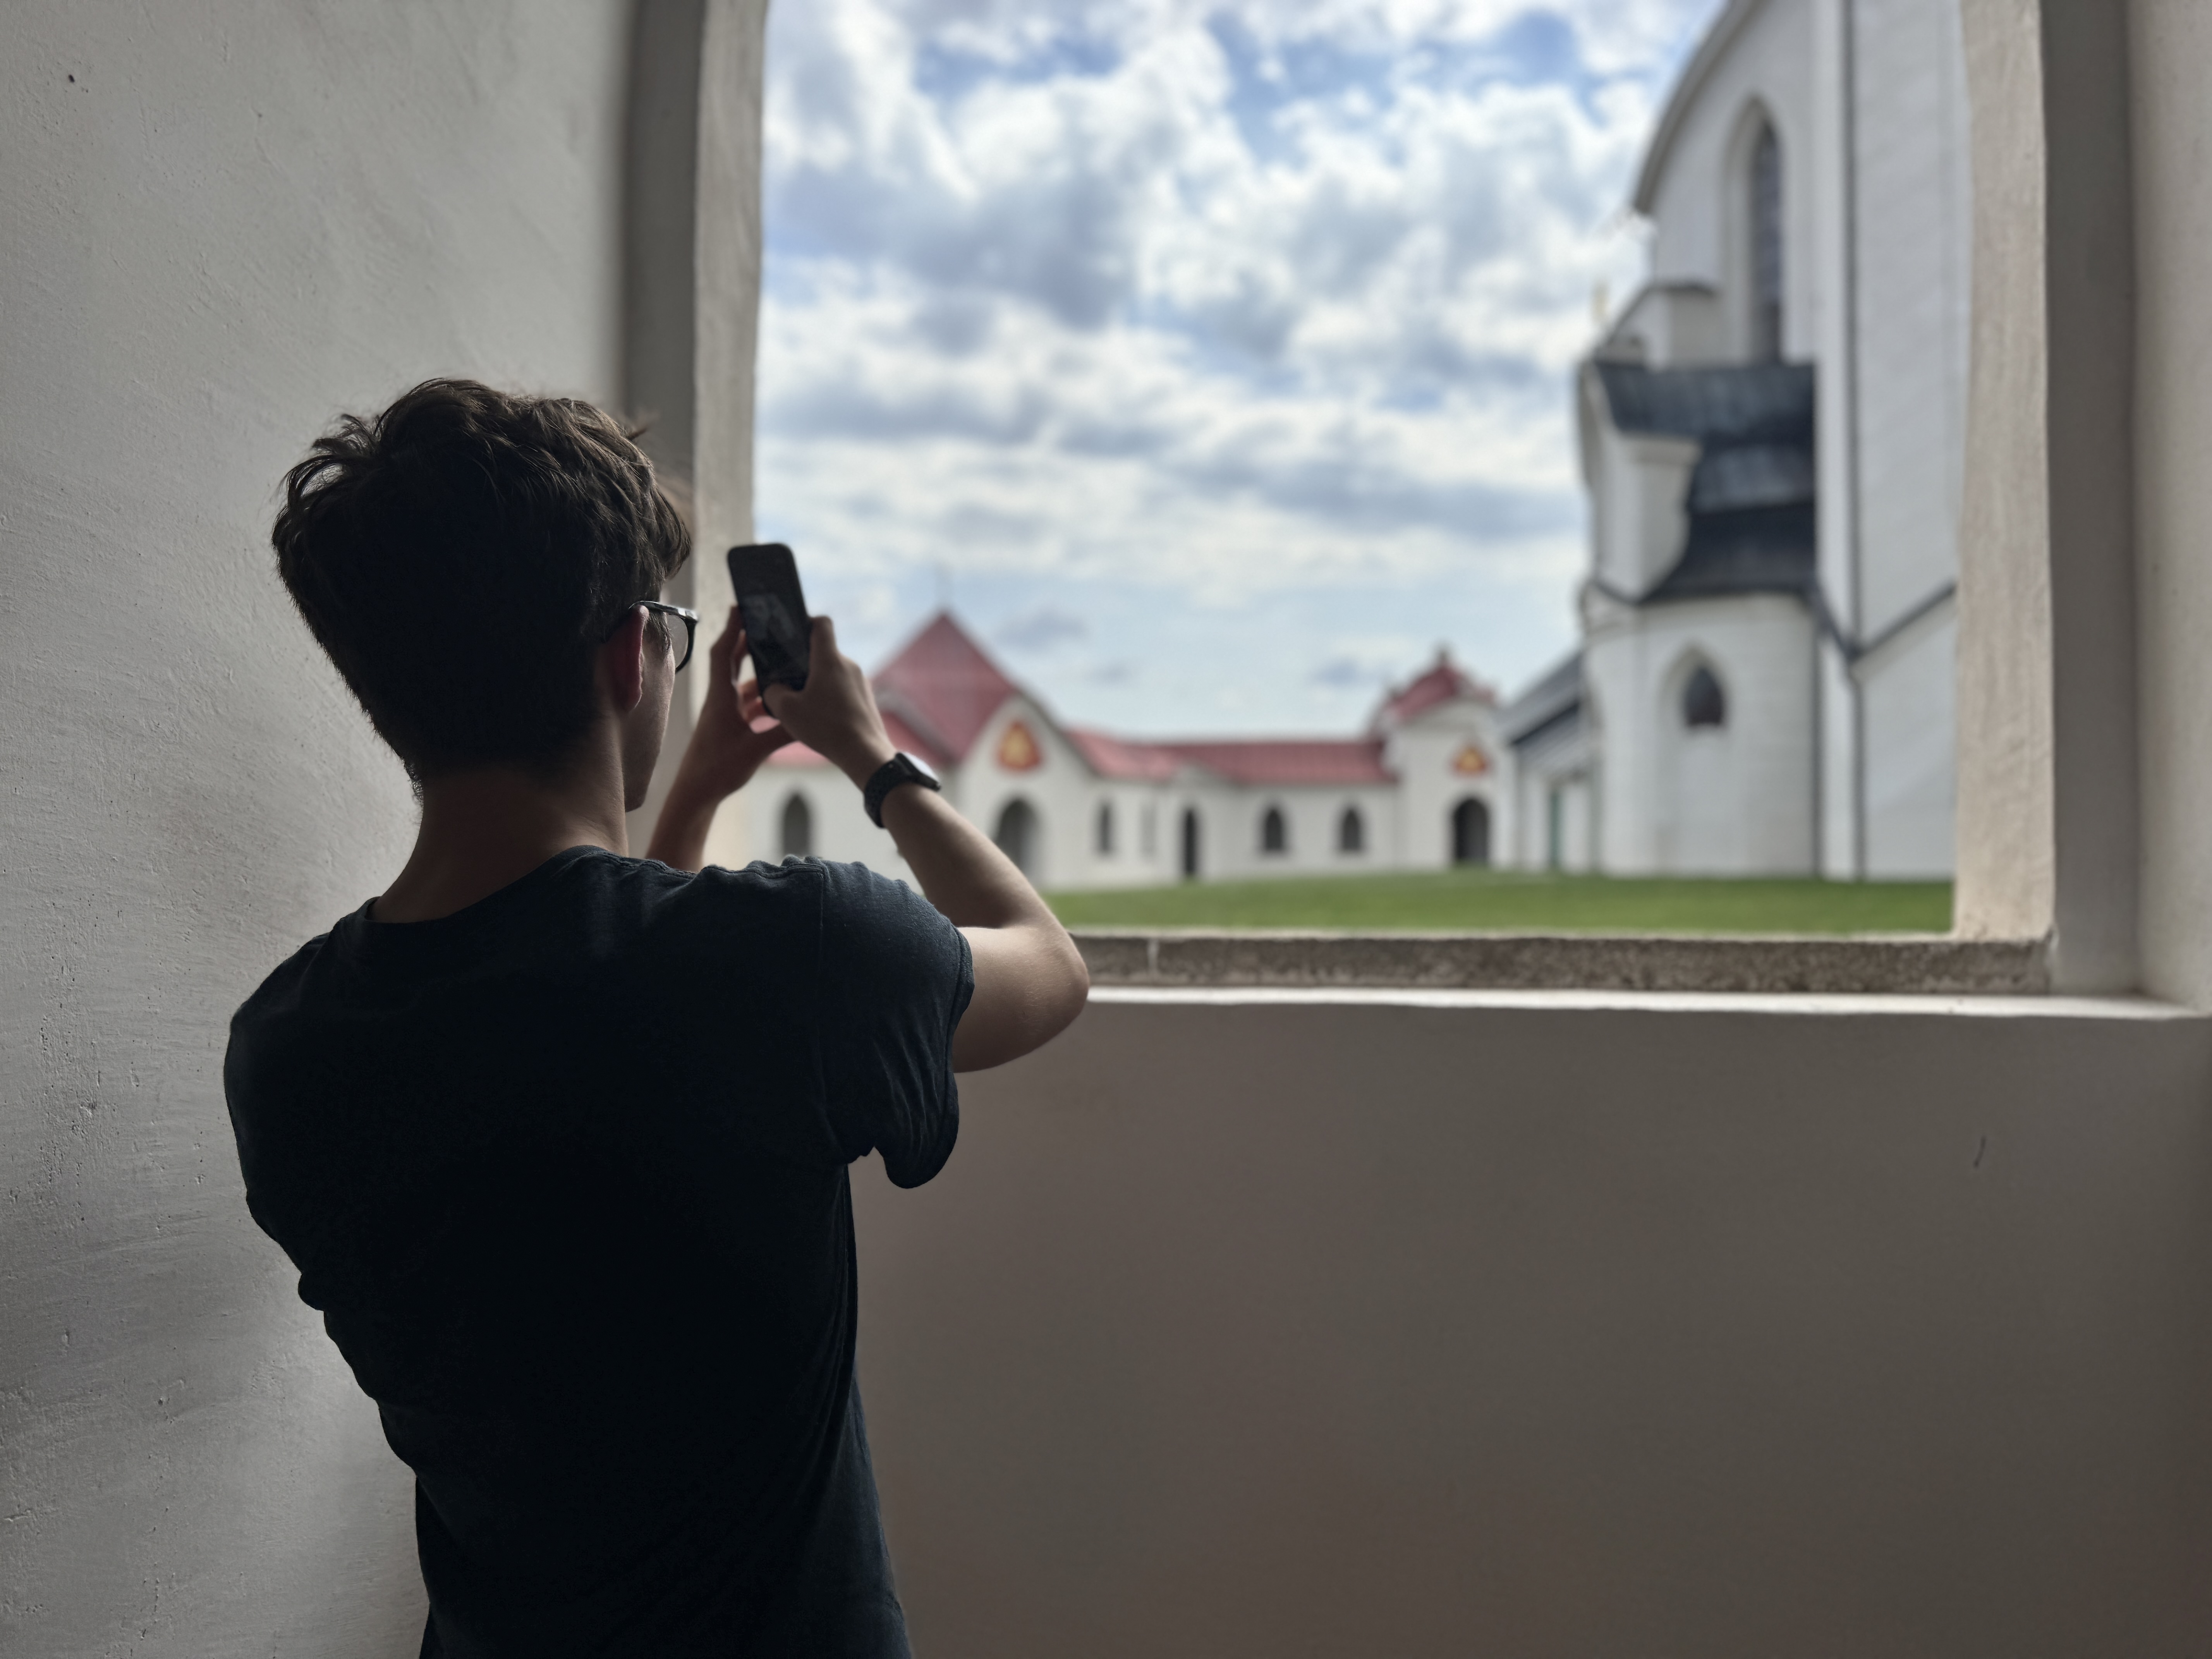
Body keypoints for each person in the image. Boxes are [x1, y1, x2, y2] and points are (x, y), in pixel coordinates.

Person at [222, 379, 1089, 1657]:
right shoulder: (798, 955)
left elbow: (587, 1012)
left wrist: (681, 799)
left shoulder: (286, 1049)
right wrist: (872, 756)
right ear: (634, 652)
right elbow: (1047, 964)